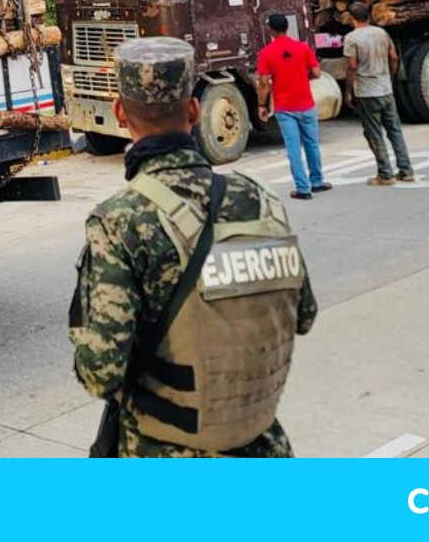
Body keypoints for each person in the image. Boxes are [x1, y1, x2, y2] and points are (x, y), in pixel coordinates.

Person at [70, 37, 316, 458]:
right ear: (194, 110)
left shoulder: (119, 221)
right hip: (264, 450)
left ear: (119, 113)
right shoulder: (259, 200)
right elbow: (304, 315)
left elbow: (100, 372)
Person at [256, 13, 331, 200]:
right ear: (286, 27)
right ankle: (317, 181)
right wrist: (305, 77)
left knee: (293, 148)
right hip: (306, 104)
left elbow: (264, 84)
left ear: (271, 30)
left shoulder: (266, 53)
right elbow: (317, 72)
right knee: (312, 144)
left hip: (285, 107)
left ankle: (302, 188)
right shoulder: (302, 48)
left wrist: (261, 105)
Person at [343, 2, 414, 185]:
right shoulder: (382, 33)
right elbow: (393, 57)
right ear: (368, 15)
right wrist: (389, 76)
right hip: (385, 88)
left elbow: (351, 66)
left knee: (374, 133)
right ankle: (406, 170)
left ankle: (385, 173)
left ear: (352, 18)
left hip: (366, 91)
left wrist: (348, 91)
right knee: (395, 130)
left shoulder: (352, 38)